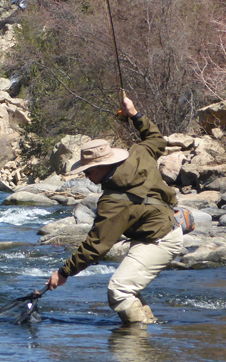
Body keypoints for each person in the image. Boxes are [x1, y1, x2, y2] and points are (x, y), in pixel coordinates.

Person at [46, 96, 183, 325]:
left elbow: (96, 246)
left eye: (88, 171)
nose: (86, 175)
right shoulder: (139, 152)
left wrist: (63, 273)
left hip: (160, 238)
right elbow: (156, 139)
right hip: (159, 230)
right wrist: (134, 114)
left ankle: (136, 346)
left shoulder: (112, 202)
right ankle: (149, 329)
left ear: (102, 167)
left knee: (119, 290)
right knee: (126, 287)